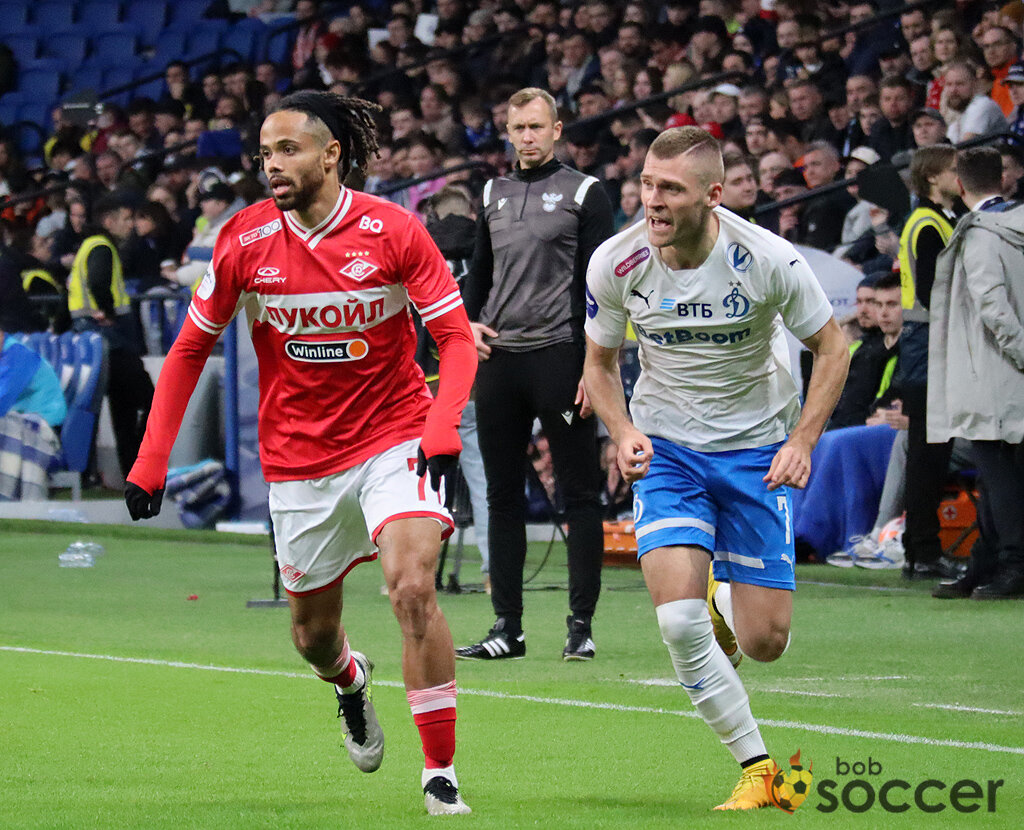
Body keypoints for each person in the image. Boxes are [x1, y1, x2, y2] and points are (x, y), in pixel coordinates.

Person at [123, 92, 477, 816]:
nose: (271, 165)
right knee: (312, 638)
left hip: (393, 435)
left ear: (330, 153)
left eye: (286, 150)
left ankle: (439, 772)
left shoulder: (394, 230)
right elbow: (191, 348)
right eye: (263, 153)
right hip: (299, 462)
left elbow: (458, 338)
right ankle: (350, 681)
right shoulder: (244, 240)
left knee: (413, 586)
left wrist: (441, 424)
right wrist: (150, 458)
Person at [582, 126, 849, 810]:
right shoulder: (616, 262)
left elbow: (832, 345)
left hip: (757, 450)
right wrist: (623, 430)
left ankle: (723, 600)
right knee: (675, 623)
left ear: (714, 194)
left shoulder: (766, 259)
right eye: (645, 184)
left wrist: (805, 440)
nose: (653, 201)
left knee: (766, 643)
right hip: (668, 450)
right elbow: (601, 364)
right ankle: (759, 769)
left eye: (670, 188)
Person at [458, 87, 614, 662]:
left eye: (535, 127)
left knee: (578, 493)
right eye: (517, 127)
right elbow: (480, 271)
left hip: (560, 357)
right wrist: (467, 324)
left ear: (557, 129)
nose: (526, 136)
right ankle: (508, 628)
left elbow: (604, 287)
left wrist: (594, 366)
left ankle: (581, 626)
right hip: (500, 360)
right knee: (501, 496)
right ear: (508, 132)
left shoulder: (586, 192)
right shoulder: (493, 192)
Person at [929, 146, 1024, 599]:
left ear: (961, 185)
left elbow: (993, 308)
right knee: (996, 474)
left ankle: (1011, 565)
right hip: (1013, 374)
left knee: (999, 472)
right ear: (1003, 180)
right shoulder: (1015, 225)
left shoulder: (981, 235)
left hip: (994, 371)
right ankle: (986, 563)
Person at [896, 145, 962, 579]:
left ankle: (921, 549)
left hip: (922, 345)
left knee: (930, 452)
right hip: (928, 345)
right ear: (933, 177)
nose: (961, 176)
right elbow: (930, 291)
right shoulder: (929, 224)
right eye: (954, 170)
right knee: (929, 454)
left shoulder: (931, 220)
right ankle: (922, 549)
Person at [68, 195, 155, 481]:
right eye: (126, 218)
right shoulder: (103, 246)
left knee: (123, 409)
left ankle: (133, 474)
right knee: (149, 400)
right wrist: (106, 311)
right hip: (111, 336)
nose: (131, 224)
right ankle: (140, 471)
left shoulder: (86, 246)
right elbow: (97, 281)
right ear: (109, 220)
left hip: (91, 337)